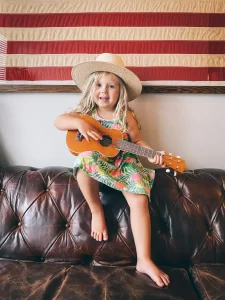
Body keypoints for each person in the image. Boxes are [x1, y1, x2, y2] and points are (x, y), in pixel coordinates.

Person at [54, 53, 170, 287]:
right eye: (98, 84)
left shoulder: (125, 116)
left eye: (111, 85)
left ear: (121, 91)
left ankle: (144, 259)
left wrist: (153, 154)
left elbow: (136, 142)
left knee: (139, 200)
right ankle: (97, 211)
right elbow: (59, 121)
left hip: (124, 163)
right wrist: (79, 123)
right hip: (97, 163)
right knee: (84, 160)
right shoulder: (85, 115)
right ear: (91, 88)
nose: (103, 90)